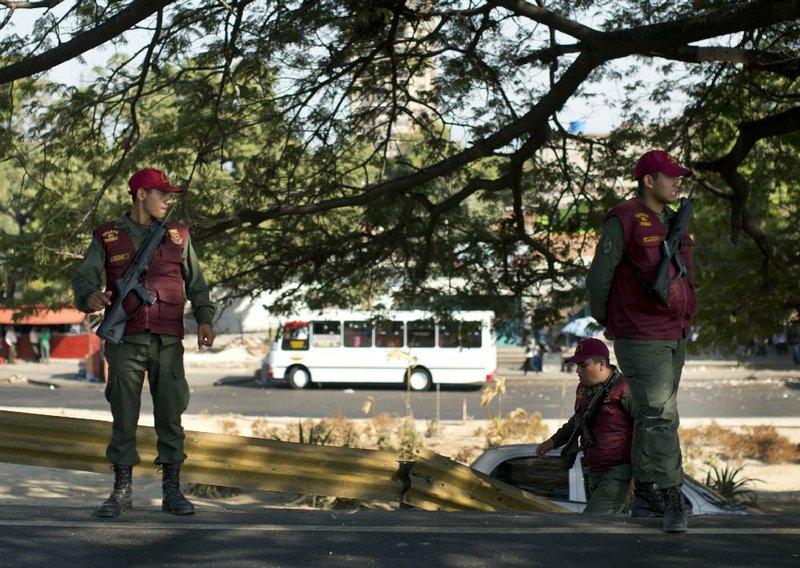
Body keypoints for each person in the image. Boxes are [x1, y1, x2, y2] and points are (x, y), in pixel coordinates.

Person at [72, 168, 216, 518]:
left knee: (171, 413)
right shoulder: (107, 235)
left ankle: (172, 490)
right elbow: (85, 276)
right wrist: (89, 296)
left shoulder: (178, 236)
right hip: (126, 340)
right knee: (123, 413)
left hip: (167, 339)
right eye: (162, 193)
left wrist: (204, 318)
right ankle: (121, 491)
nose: (168, 200)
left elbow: (196, 282)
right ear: (140, 195)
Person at [586, 149, 696, 533]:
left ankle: (646, 493)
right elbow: (599, 277)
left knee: (651, 419)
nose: (677, 181)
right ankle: (672, 497)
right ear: (649, 180)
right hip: (640, 334)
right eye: (670, 176)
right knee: (663, 416)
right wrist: (608, 320)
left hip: (674, 332)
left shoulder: (673, 219)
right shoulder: (624, 220)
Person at [536, 338, 634, 514]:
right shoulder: (584, 388)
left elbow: (645, 430)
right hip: (594, 471)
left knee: (591, 524)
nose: (577, 370)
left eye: (583, 365)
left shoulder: (624, 389)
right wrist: (553, 441)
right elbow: (578, 420)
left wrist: (639, 475)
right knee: (611, 532)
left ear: (602, 364)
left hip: (619, 473)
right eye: (576, 365)